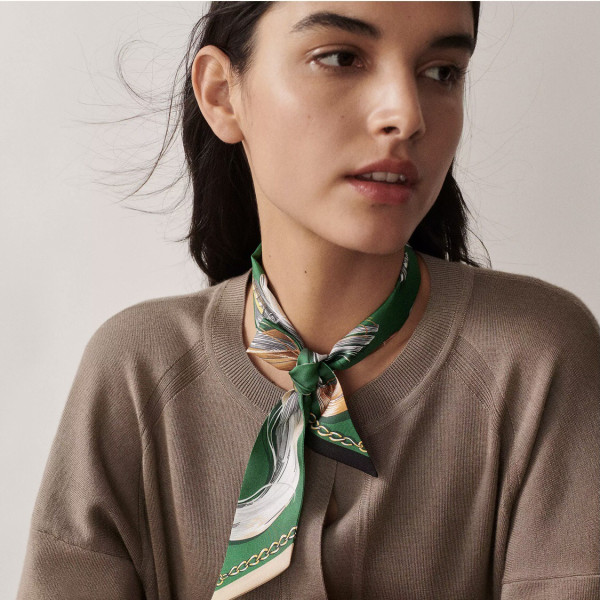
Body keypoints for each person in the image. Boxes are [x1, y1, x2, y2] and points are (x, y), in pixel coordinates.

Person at [17, 2, 600, 599]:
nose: (406, 115)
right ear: (221, 93)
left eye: (441, 71)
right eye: (341, 58)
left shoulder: (536, 362)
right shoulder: (138, 373)